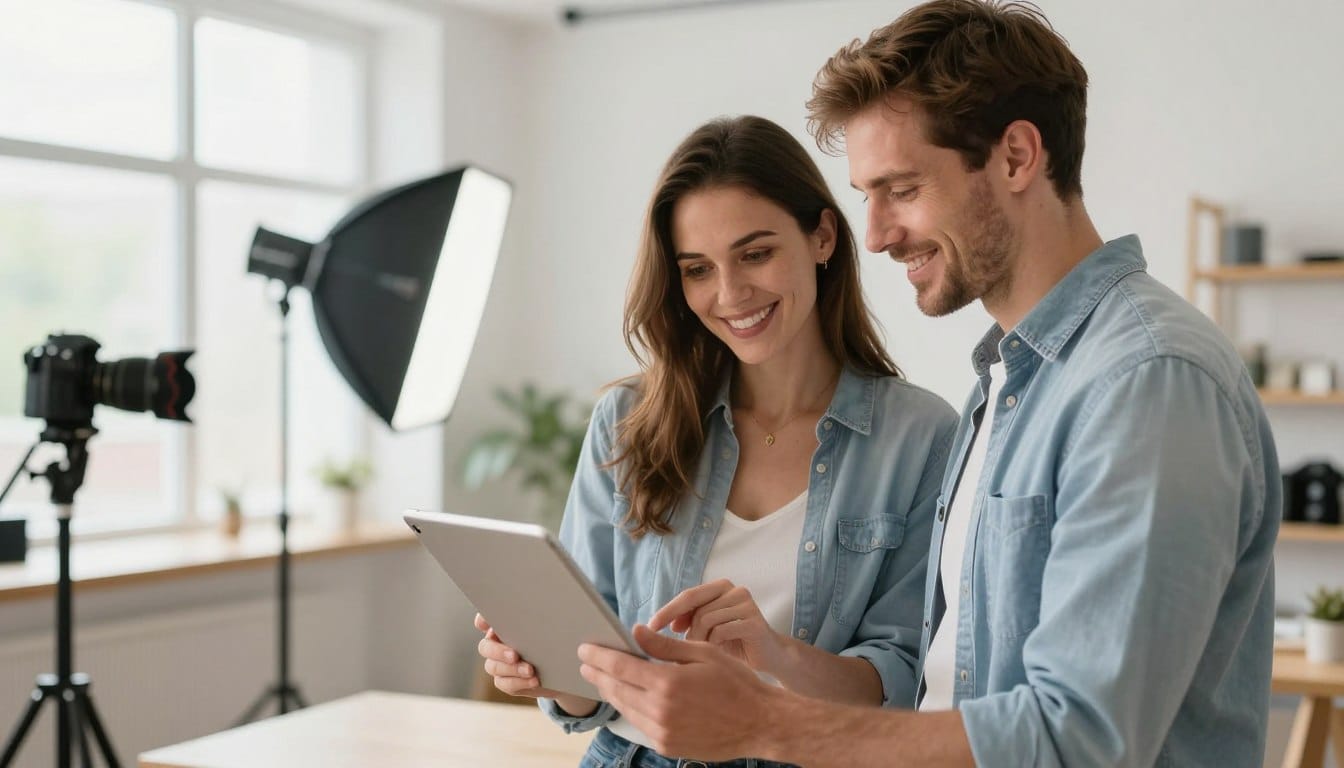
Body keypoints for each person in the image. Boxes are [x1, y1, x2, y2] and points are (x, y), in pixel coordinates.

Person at [576, 2, 1282, 767]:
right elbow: (953, 687)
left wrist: (763, 725)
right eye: (867, 196)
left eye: (901, 189)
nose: (873, 234)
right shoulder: (1010, 384)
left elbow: (1081, 739)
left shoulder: (1146, 381)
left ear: (1016, 157)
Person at [474, 114, 958, 767]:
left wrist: (775, 653)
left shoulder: (921, 437)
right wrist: (541, 667)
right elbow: (590, 691)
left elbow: (898, 685)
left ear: (821, 237)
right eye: (697, 268)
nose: (730, 294)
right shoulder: (627, 421)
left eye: (755, 253)